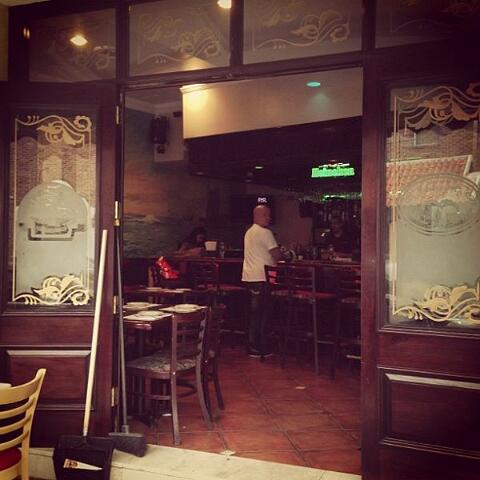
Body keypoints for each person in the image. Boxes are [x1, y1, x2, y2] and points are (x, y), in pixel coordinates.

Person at [242, 205, 282, 358]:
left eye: (269, 215)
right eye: (266, 215)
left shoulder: (249, 232)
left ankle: (252, 344)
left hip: (249, 277)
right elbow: (277, 255)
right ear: (257, 216)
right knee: (262, 313)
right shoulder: (266, 233)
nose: (269, 218)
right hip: (262, 277)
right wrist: (286, 254)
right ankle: (258, 346)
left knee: (254, 313)